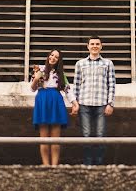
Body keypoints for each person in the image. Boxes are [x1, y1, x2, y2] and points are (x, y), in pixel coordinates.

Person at [70, 35, 116, 165]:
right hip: (84, 104)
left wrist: (110, 104)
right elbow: (77, 84)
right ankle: (88, 164)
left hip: (102, 104)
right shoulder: (80, 64)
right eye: (92, 44)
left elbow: (112, 84)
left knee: (100, 135)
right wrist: (75, 103)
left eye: (97, 44)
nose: (95, 46)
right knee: (86, 134)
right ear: (88, 46)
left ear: (101, 46)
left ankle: (99, 164)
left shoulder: (108, 63)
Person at [30, 49, 70, 166]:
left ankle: (54, 166)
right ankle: (46, 165)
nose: (53, 58)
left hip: (56, 102)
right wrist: (36, 79)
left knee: (55, 139)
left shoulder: (61, 74)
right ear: (48, 56)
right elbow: (32, 89)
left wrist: (75, 103)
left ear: (59, 60)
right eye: (52, 55)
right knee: (44, 139)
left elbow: (67, 90)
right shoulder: (39, 70)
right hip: (42, 101)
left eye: (56, 57)